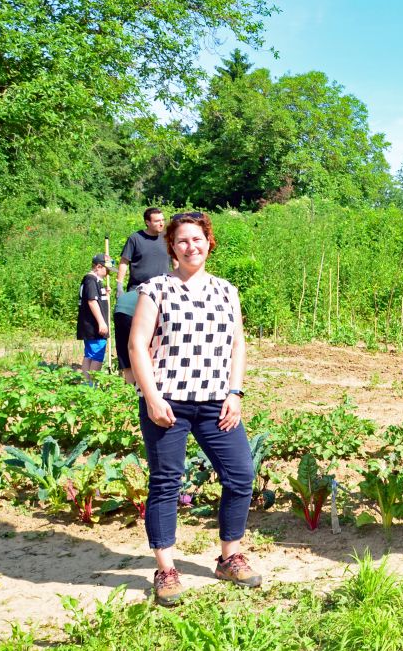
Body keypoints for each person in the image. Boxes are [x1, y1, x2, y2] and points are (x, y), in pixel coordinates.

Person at [130, 212, 260, 606]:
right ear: (172, 246)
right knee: (166, 483)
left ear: (209, 242)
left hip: (217, 402)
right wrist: (152, 398)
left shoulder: (227, 290)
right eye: (183, 240)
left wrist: (235, 393)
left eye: (198, 238)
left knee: (240, 475)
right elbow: (137, 345)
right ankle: (166, 569)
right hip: (167, 403)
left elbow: (237, 344)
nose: (192, 246)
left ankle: (228, 556)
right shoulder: (155, 289)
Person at [117, 207, 169, 383]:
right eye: (157, 220)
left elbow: (176, 261)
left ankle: (154, 371)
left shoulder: (167, 239)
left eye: (162, 219)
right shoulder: (135, 239)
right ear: (147, 222)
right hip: (138, 293)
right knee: (136, 334)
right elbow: (124, 262)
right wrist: (119, 285)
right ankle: (131, 375)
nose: (161, 223)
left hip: (162, 291)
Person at [77, 254, 113, 384]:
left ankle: (86, 384)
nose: (108, 273)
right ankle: (91, 386)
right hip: (93, 326)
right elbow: (92, 301)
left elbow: (96, 298)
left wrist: (105, 293)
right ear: (98, 266)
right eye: (107, 270)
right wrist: (102, 323)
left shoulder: (93, 281)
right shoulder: (91, 280)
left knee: (89, 355)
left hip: (89, 325)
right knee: (97, 355)